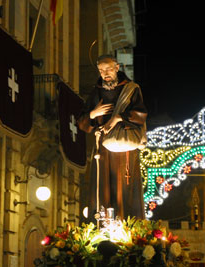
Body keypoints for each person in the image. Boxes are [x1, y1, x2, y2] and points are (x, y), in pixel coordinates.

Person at [78, 54, 147, 221]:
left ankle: (128, 224)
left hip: (125, 145)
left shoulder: (131, 89)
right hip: (102, 148)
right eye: (101, 70)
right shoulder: (96, 92)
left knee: (125, 186)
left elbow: (140, 115)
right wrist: (94, 113)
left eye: (108, 69)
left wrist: (118, 118)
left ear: (117, 67)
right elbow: (82, 122)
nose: (105, 73)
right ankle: (103, 225)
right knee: (103, 186)